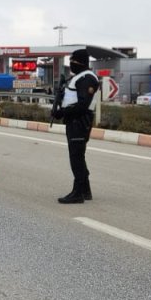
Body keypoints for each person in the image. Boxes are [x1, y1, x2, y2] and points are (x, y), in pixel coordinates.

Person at [51, 48, 99, 204]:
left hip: (80, 120)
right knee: (78, 155)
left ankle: (77, 193)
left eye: (74, 62)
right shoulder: (78, 77)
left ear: (82, 63)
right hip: (74, 120)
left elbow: (83, 104)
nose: (71, 64)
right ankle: (85, 190)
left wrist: (63, 112)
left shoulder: (87, 78)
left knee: (76, 157)